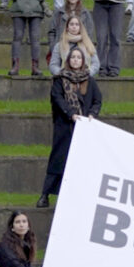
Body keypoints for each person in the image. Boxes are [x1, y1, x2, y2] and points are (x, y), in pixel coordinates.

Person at [42, 51, 100, 210]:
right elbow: (58, 98)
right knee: (58, 160)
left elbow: (97, 100)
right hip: (64, 127)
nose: (76, 60)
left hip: (83, 128)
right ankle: (45, 194)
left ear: (83, 61)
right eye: (73, 57)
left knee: (82, 163)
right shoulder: (60, 80)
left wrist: (92, 114)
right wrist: (71, 114)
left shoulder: (89, 80)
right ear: (68, 60)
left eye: (78, 57)